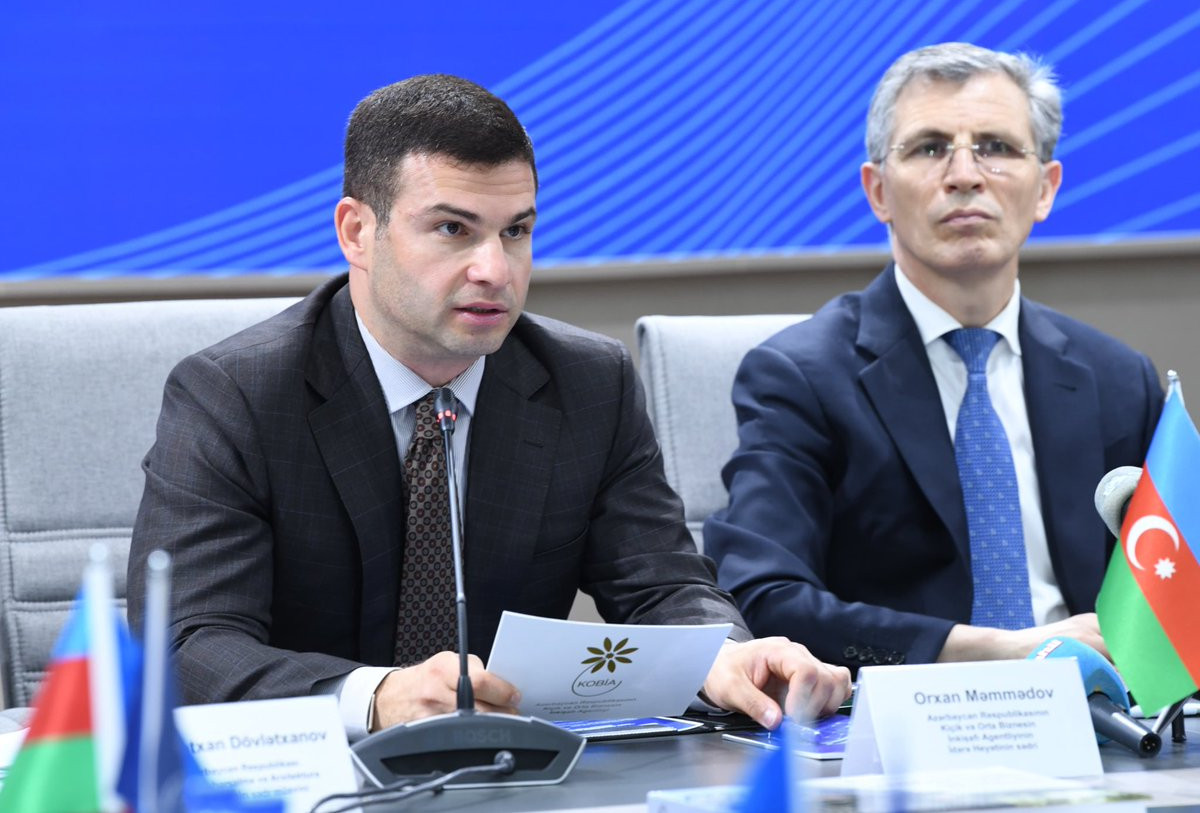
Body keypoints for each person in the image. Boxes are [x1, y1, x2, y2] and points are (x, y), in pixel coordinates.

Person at [128, 74, 849, 739]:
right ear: (356, 232)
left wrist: (721, 657)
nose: (495, 269)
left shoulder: (587, 383)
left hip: (520, 778)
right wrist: (375, 697)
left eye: (516, 231)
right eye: (453, 229)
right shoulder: (237, 394)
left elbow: (662, 585)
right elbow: (187, 646)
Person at [704, 42, 1162, 673]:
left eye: (997, 147)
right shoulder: (801, 377)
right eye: (929, 148)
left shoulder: (1119, 380)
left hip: (1100, 713)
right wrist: (996, 650)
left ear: (1046, 188)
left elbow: (1171, 587)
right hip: (904, 714)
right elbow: (763, 595)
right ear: (878, 192)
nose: (965, 175)